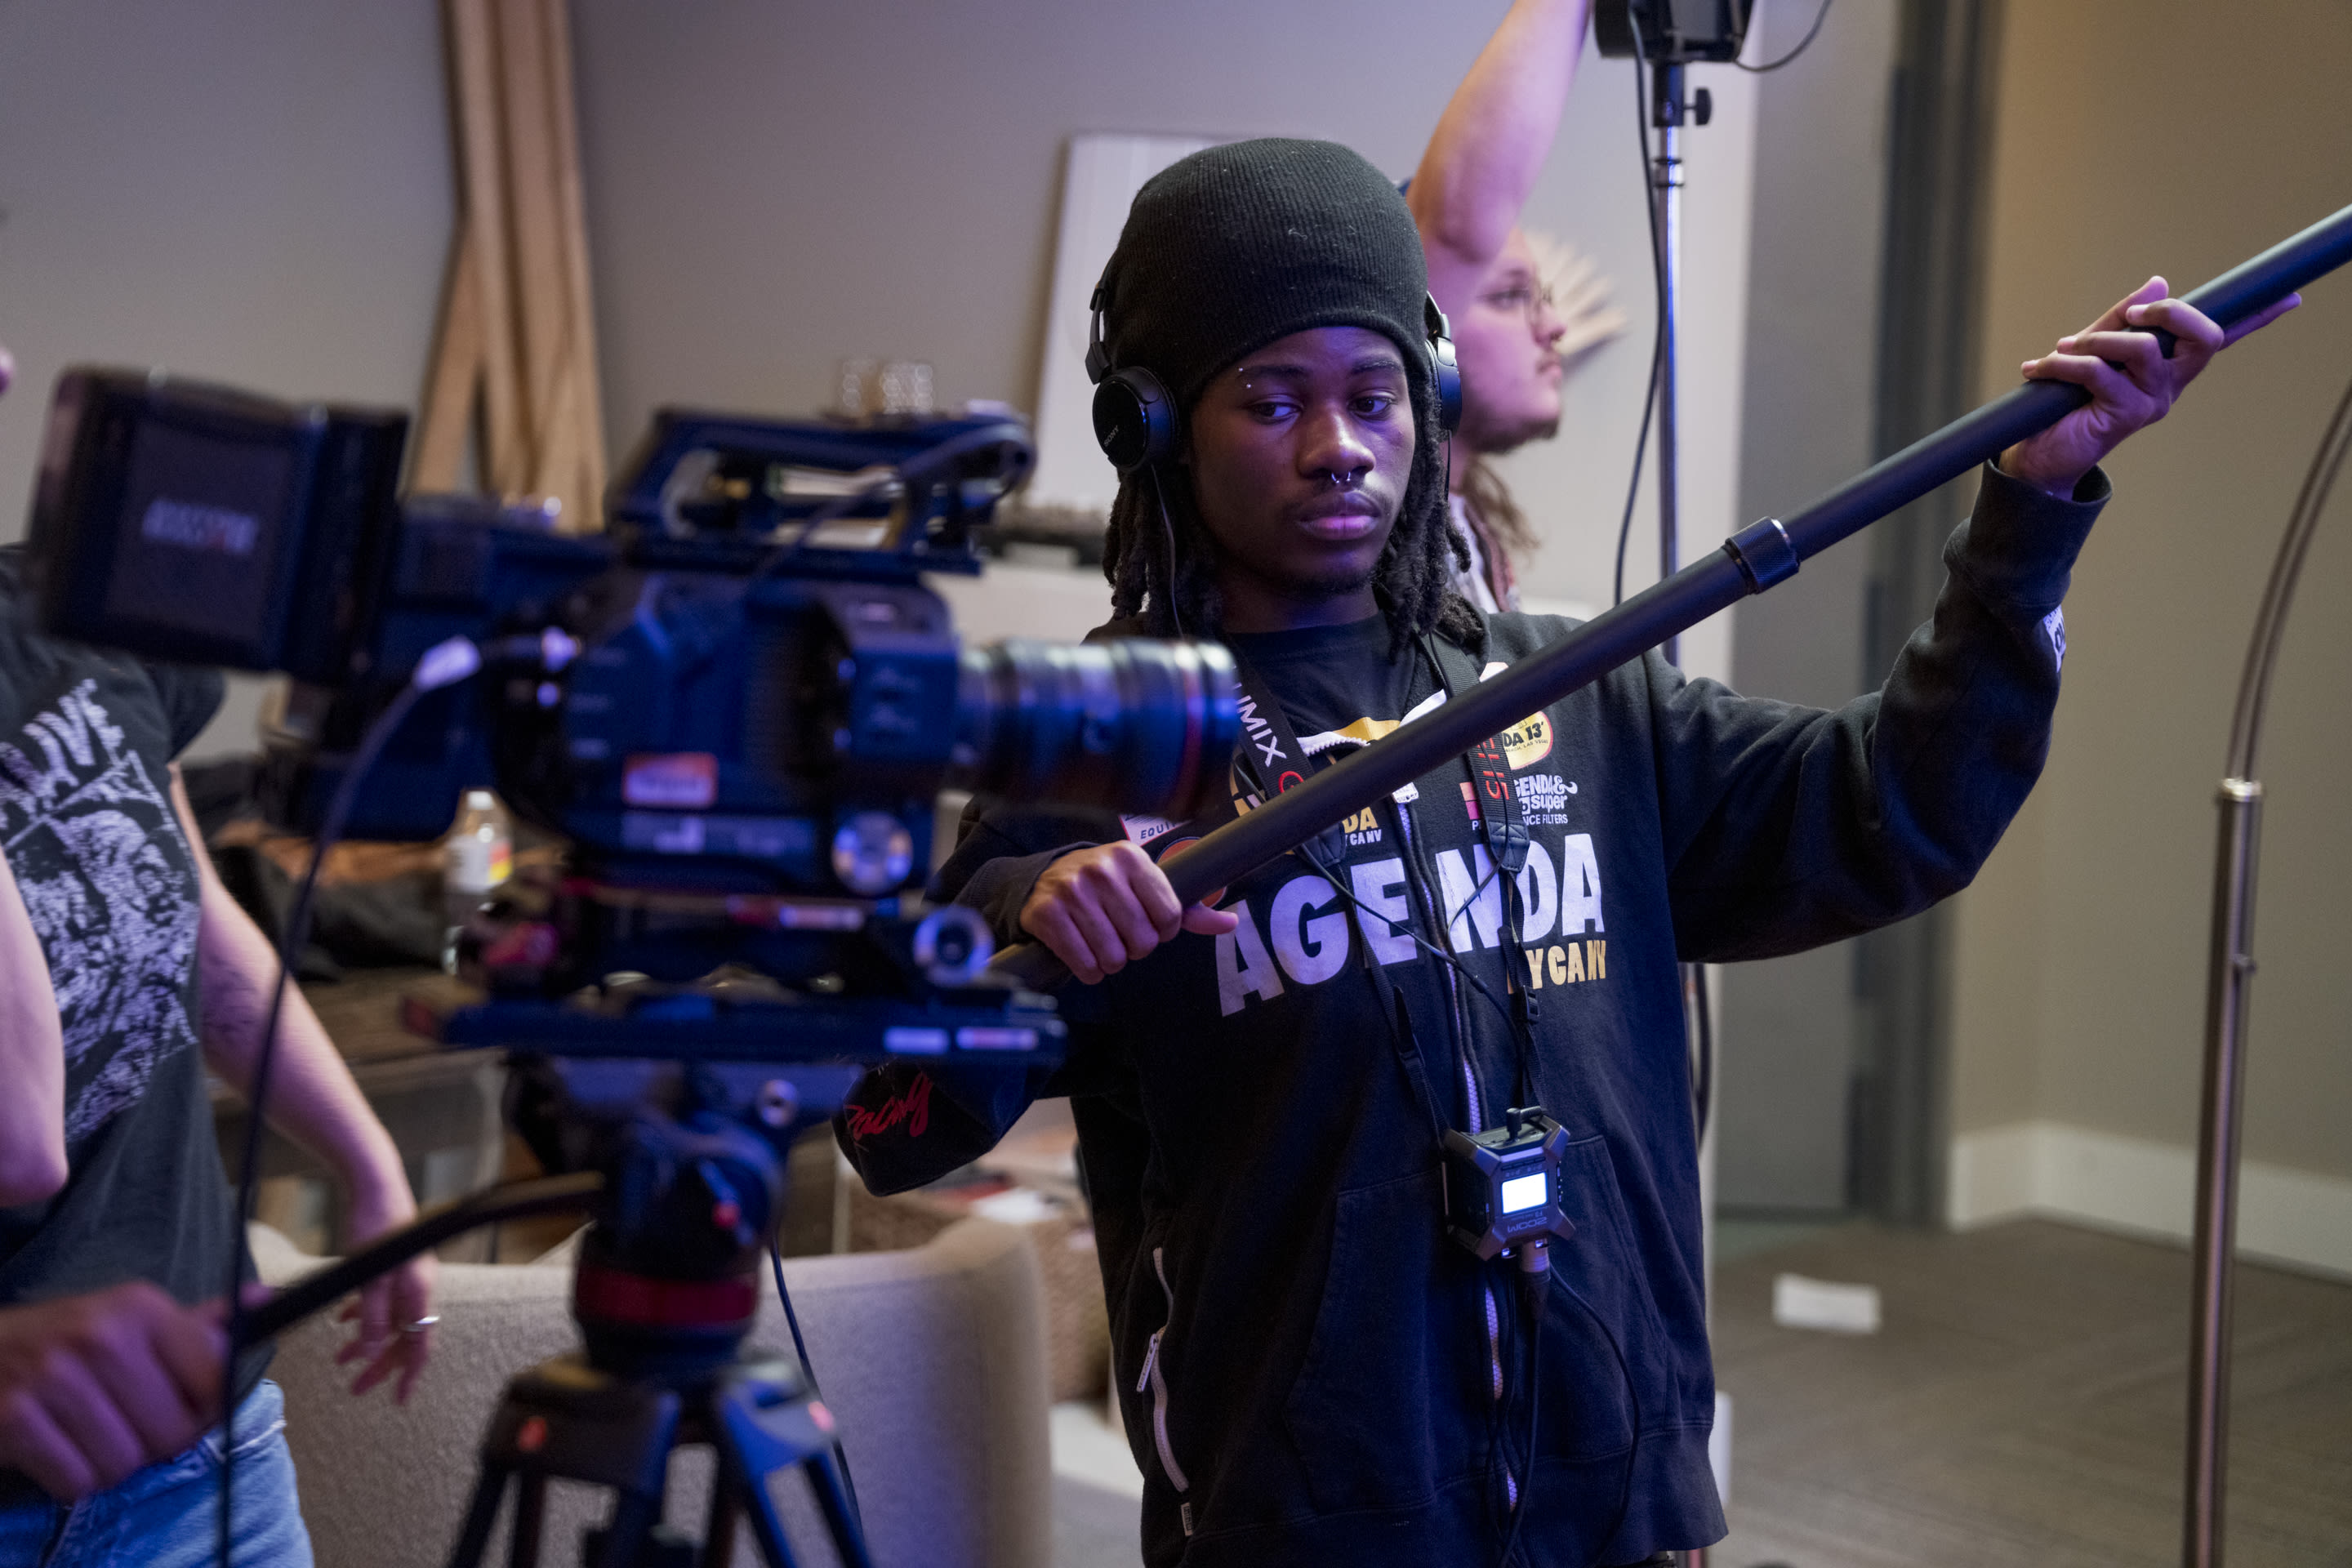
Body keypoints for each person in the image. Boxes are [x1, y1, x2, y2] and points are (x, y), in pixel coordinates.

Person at [836, 140, 2292, 1565]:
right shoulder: (1106, 746)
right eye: (1270, 401)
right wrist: (1022, 918)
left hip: (1617, 1487)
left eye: (1373, 395)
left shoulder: (1576, 688)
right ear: (1157, 431)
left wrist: (2030, 517)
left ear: (1430, 399)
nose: (1338, 446)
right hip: (1305, 1516)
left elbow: (1892, 813)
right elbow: (891, 1127)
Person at [0, 342, 439, 1565]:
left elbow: (194, 915)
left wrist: (366, 1163)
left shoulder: (64, 612)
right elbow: (18, 1139)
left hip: (206, 1474)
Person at [1410, 0, 1599, 612]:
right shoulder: (1380, 514)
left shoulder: (1467, 525)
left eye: (1542, 297)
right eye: (1512, 295)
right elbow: (1457, 228)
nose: (1556, 326)